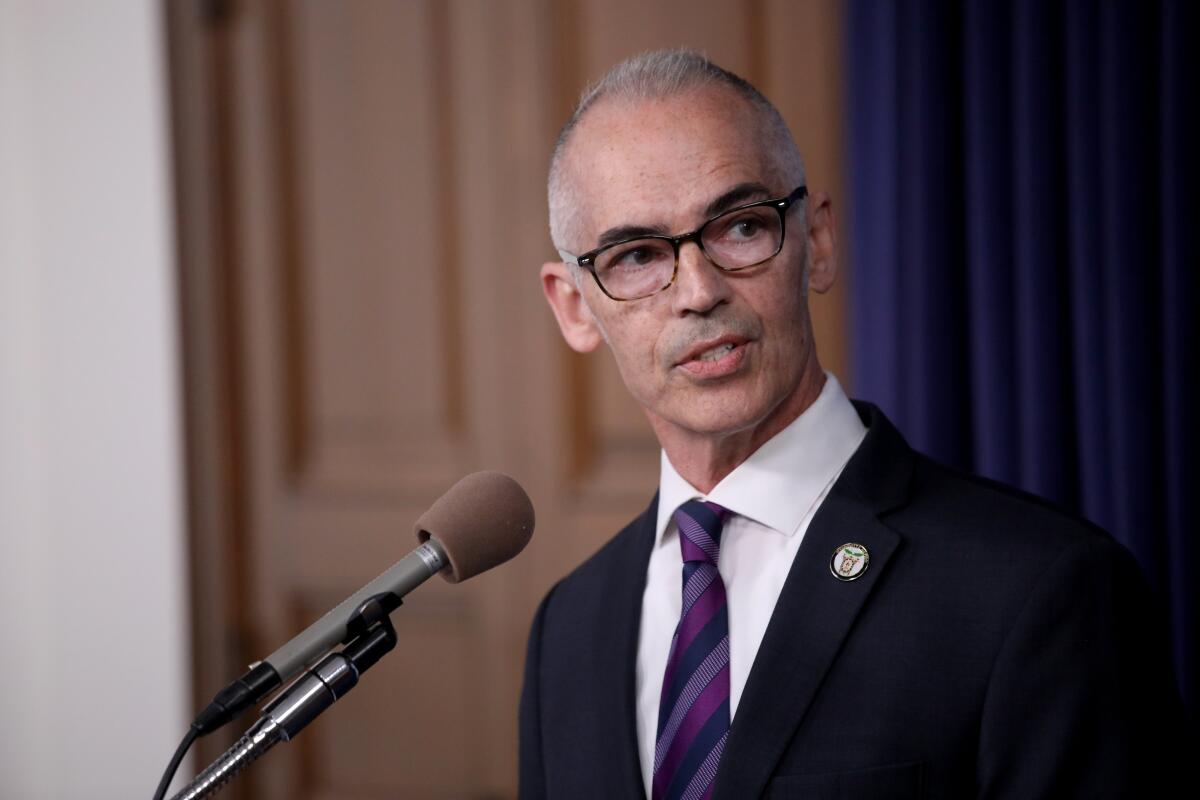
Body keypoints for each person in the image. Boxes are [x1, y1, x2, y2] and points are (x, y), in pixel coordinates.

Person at [519, 49, 1185, 800]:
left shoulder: (1041, 588)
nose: (698, 291)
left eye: (739, 228)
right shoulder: (566, 631)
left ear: (819, 241)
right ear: (574, 306)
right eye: (636, 254)